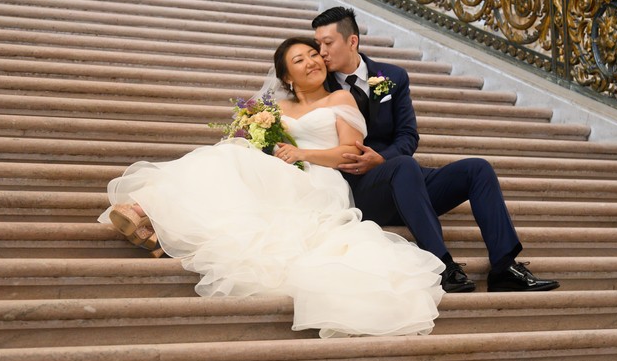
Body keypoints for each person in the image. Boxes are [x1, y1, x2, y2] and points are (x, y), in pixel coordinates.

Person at [98, 37, 446, 338]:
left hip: (321, 179)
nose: (312, 61)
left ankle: (151, 218)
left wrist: (302, 153)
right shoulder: (276, 108)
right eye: (300, 60)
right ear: (285, 76)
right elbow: (263, 145)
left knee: (235, 166)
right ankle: (149, 214)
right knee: (229, 154)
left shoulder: (340, 100)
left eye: (313, 55)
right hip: (284, 171)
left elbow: (350, 152)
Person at [312, 6, 559, 293]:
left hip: (404, 179)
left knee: (477, 169)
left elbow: (407, 135)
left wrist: (383, 158)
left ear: (352, 41)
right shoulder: (319, 85)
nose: (321, 52)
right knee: (405, 166)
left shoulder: (392, 77)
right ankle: (441, 266)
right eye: (317, 44)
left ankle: (504, 267)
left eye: (327, 43)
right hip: (360, 189)